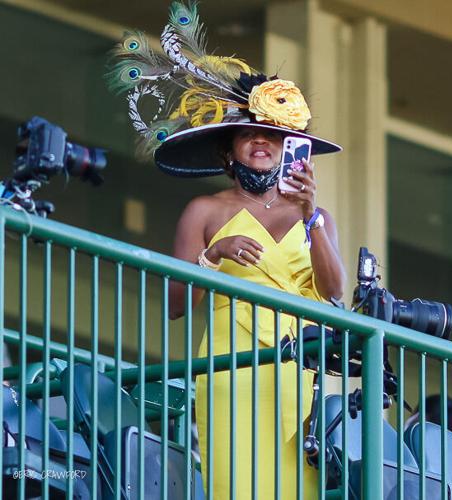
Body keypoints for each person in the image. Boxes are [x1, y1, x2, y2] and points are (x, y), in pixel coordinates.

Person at [107, 4, 346, 497]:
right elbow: (176, 306)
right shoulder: (204, 210)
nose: (262, 141)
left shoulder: (316, 217)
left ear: (291, 147)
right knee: (233, 482)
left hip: (295, 369)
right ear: (227, 148)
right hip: (227, 365)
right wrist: (213, 257)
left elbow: (336, 292)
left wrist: (311, 218)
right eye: (249, 132)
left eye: (275, 134)